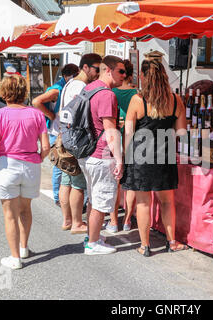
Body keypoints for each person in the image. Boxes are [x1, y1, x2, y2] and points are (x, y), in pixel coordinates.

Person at [120, 59, 188, 257]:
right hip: (165, 156)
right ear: (164, 76)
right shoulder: (176, 100)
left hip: (141, 157)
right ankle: (171, 242)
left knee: (143, 203)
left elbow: (129, 134)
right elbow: (181, 132)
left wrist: (124, 157)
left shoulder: (138, 100)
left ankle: (145, 245)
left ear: (142, 76)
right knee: (167, 202)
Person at [0, 75, 50, 270]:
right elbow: (45, 147)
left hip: (6, 164)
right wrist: (38, 159)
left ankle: (15, 258)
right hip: (30, 164)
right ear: (23, 92)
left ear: (4, 92)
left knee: (9, 214)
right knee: (25, 209)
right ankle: (23, 248)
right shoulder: (36, 114)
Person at [78, 55, 126, 255]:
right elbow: (110, 130)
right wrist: (119, 159)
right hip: (101, 154)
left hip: (86, 153)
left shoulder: (89, 88)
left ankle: (92, 236)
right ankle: (93, 244)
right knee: (101, 199)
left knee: (93, 198)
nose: (124, 75)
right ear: (108, 70)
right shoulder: (107, 95)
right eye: (121, 71)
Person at [58, 54, 102, 235]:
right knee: (77, 182)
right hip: (77, 138)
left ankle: (67, 220)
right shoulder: (82, 86)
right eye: (97, 69)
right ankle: (77, 222)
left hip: (66, 135)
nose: (98, 73)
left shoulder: (69, 83)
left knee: (66, 179)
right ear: (86, 67)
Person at [32, 64, 79, 206]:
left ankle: (61, 195)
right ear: (67, 76)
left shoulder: (64, 87)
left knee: (63, 165)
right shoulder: (57, 89)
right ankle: (57, 197)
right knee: (59, 165)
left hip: (61, 130)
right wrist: (51, 115)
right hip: (56, 131)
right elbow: (36, 101)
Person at [107, 59, 138, 233]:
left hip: (115, 136)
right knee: (130, 182)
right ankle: (127, 220)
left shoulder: (112, 92)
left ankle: (113, 222)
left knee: (115, 180)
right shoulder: (138, 94)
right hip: (133, 138)